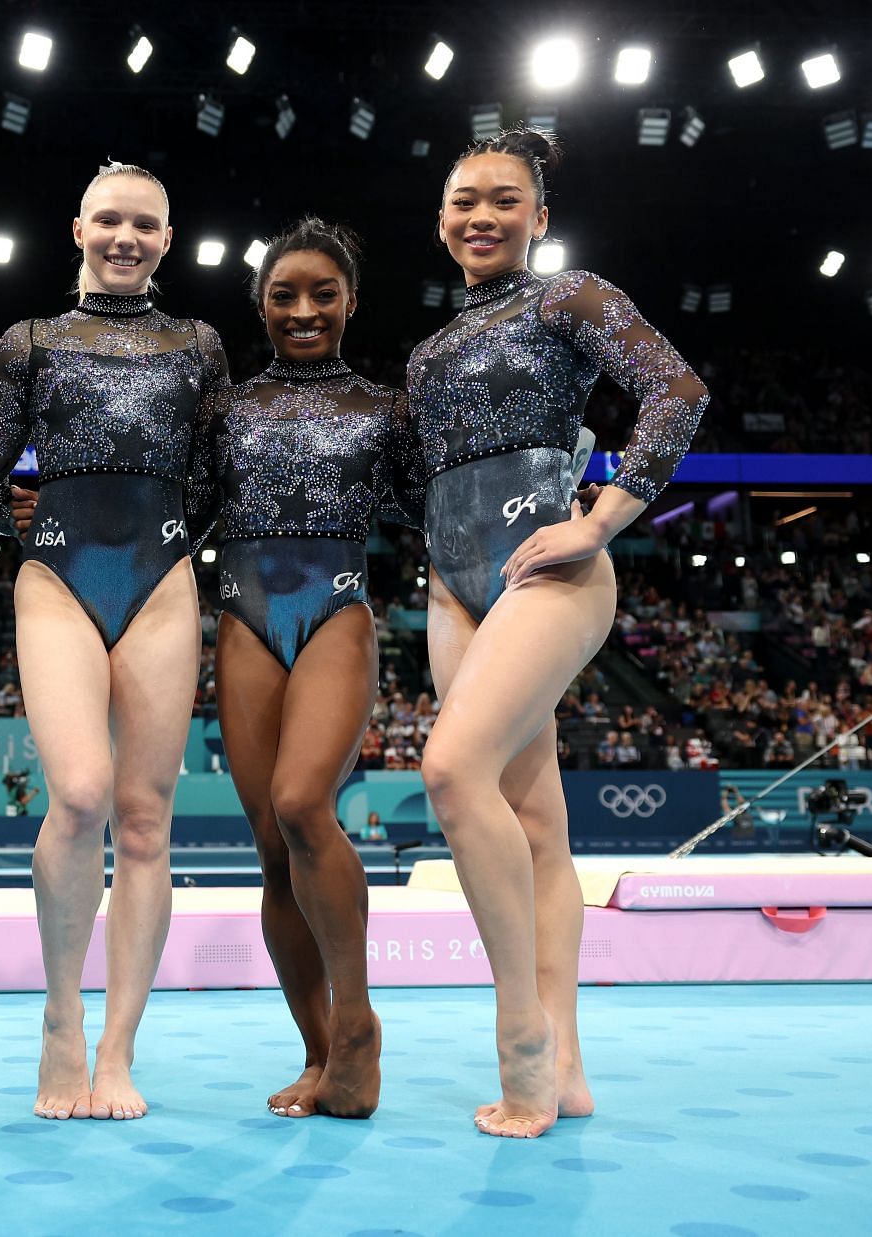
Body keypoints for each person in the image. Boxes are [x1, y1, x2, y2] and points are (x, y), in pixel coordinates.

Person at [408, 128, 709, 1139]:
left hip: (551, 566)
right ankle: (570, 1065)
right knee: (536, 825)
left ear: (538, 215)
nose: (481, 217)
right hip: (453, 584)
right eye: (463, 200)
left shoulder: (568, 295)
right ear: (442, 217)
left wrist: (600, 516)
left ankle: (523, 1042)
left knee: (452, 771)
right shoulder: (428, 349)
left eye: (503, 200)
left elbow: (678, 391)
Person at [0, 161, 229, 1121]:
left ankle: (119, 1048)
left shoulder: (199, 344)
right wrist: (14, 519)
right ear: (77, 229)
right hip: (57, 576)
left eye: (144, 225)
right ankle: (61, 1019)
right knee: (78, 793)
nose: (126, 236)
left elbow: (215, 473)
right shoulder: (30, 340)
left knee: (147, 820)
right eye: (109, 220)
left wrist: (174, 544)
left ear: (167, 237)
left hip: (160, 581)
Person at [194, 216, 421, 1118]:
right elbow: (187, 512)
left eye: (322, 293)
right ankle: (321, 1050)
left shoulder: (382, 407)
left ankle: (358, 1021)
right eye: (284, 295)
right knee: (268, 846)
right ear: (261, 306)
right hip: (245, 617)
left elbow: (436, 505)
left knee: (301, 805)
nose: (302, 309)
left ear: (350, 302)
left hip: (336, 610)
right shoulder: (227, 410)